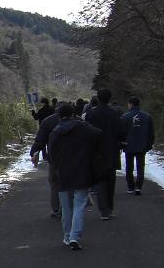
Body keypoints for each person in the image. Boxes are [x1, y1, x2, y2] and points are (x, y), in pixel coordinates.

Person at [48, 102, 102, 249]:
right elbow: (98, 134)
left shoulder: (55, 132)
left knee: (66, 207)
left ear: (59, 116)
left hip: (63, 173)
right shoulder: (83, 127)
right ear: (73, 114)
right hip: (82, 171)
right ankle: (75, 236)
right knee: (79, 205)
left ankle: (67, 236)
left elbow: (52, 155)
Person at [85, 88, 123, 220]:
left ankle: (104, 210)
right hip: (112, 149)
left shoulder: (91, 114)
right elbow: (121, 132)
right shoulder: (115, 113)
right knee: (110, 180)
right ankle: (110, 208)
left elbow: (87, 132)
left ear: (98, 97)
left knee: (99, 180)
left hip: (95, 151)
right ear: (109, 98)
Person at [30, 101, 65, 218]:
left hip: (54, 157)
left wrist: (34, 152)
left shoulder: (48, 121)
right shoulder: (77, 121)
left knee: (54, 183)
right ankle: (69, 207)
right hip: (73, 157)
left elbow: (40, 140)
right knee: (71, 184)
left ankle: (56, 209)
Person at [121, 96, 155, 194]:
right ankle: (138, 187)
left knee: (129, 166)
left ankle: (130, 186)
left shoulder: (125, 117)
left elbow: (122, 132)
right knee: (140, 166)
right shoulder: (147, 116)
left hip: (129, 144)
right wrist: (149, 144)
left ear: (130, 104)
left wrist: (122, 142)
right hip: (142, 145)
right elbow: (151, 133)